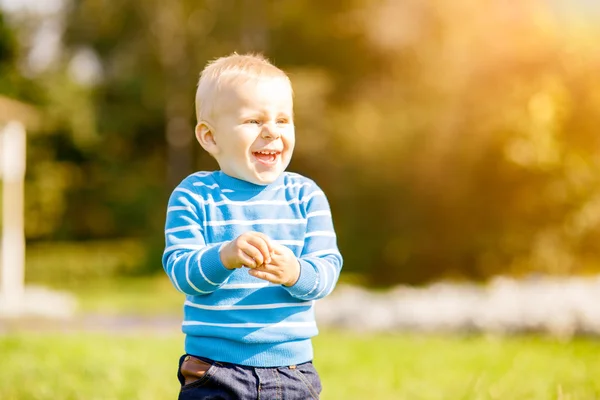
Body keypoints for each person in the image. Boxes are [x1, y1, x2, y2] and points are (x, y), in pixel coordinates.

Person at [162, 53, 343, 400]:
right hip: (214, 370)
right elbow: (180, 271)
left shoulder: (306, 196)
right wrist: (225, 255)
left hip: (293, 373)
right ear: (210, 137)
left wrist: (295, 272)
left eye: (282, 119)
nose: (271, 131)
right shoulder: (194, 195)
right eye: (253, 121)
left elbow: (327, 271)